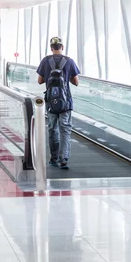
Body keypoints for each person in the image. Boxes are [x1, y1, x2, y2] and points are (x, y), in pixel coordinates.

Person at [37, 37, 80, 170]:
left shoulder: (45, 61)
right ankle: (64, 159)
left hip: (50, 102)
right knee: (65, 130)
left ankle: (53, 158)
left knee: (52, 129)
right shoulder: (69, 61)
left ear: (51, 48)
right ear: (62, 47)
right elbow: (76, 82)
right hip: (65, 101)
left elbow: (39, 81)